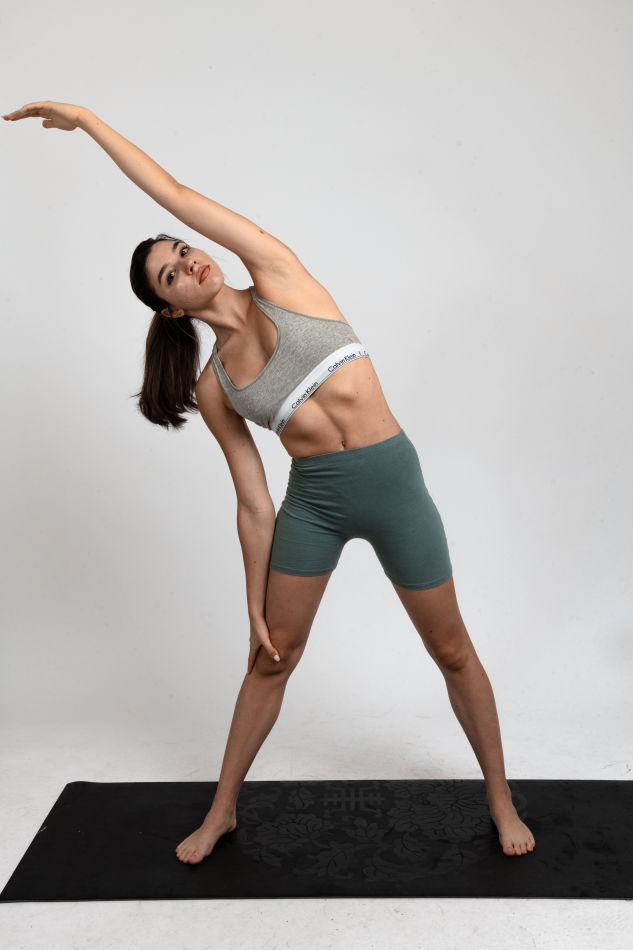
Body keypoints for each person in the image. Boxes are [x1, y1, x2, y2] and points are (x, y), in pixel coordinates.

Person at [3, 100, 536, 864]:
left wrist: (87, 121)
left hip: (392, 483)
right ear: (168, 307)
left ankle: (498, 797)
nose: (188, 262)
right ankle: (221, 811)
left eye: (182, 250)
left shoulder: (277, 273)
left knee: (450, 650)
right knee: (270, 657)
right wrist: (253, 603)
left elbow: (174, 193)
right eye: (170, 274)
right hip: (314, 503)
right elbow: (254, 502)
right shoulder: (215, 384)